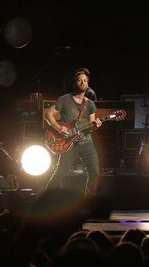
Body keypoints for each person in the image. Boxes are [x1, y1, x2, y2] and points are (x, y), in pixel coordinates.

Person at [44, 67, 102, 196]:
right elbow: (48, 115)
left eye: (85, 81)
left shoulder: (90, 104)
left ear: (88, 84)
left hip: (86, 142)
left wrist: (96, 125)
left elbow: (91, 126)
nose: (82, 82)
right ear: (74, 83)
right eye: (79, 80)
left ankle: (89, 202)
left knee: (95, 172)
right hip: (68, 143)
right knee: (60, 173)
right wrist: (59, 128)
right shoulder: (64, 99)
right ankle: (46, 199)